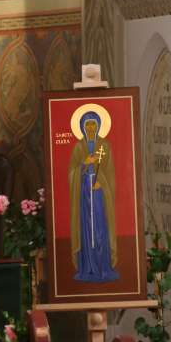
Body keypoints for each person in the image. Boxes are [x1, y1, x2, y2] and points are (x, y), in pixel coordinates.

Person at [68, 110, 118, 283]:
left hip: (98, 195)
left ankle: (103, 266)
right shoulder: (78, 147)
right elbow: (71, 172)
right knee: (86, 228)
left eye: (93, 125)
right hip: (83, 194)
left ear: (98, 127)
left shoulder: (105, 146)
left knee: (99, 228)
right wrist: (84, 165)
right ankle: (88, 267)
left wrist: (102, 184)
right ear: (82, 127)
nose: (90, 128)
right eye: (87, 125)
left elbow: (110, 173)